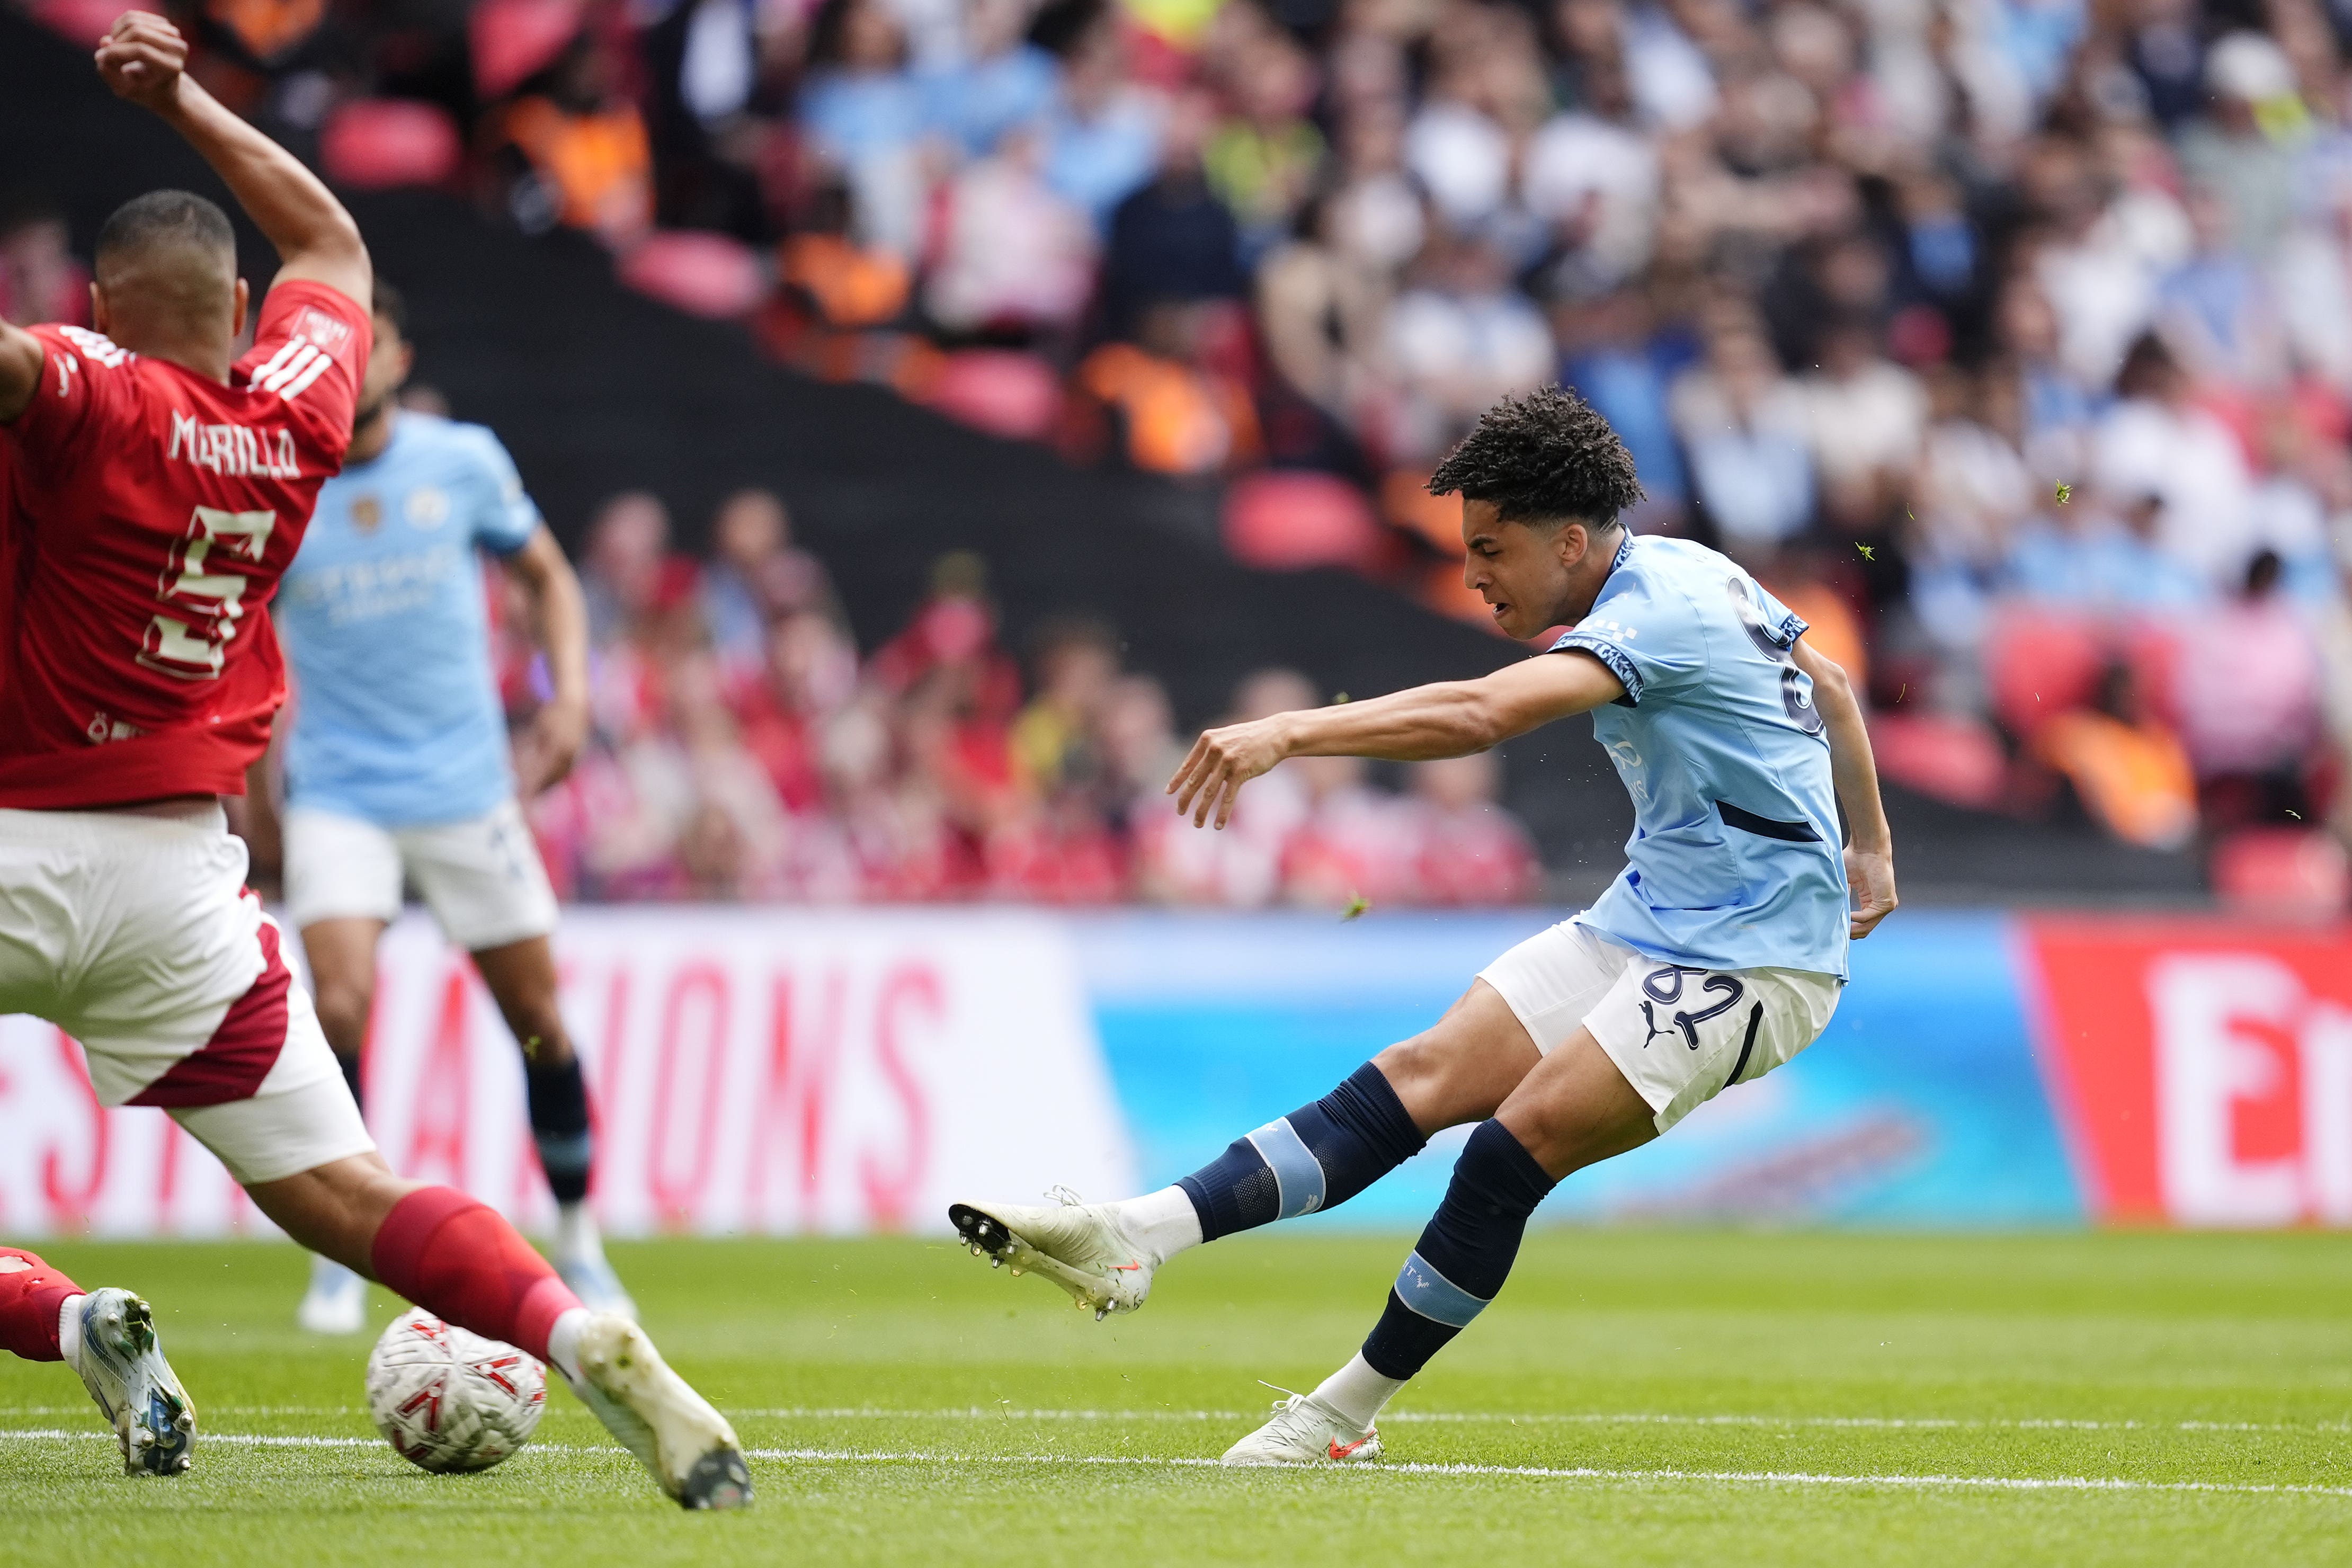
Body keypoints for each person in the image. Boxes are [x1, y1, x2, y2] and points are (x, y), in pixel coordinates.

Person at [0, 16, 747, 1508]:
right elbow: (329, 238)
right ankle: (570, 1323)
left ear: (103, 302)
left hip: (17, 839)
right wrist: (189, 100)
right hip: (177, 894)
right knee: (352, 1194)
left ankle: (51, 1314)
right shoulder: (298, 415)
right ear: (233, 308)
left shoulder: (93, 395)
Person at [947, 387, 1897, 1464]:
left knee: (1508, 1149)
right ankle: (1135, 1236)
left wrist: (1290, 732)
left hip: (1758, 961)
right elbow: (1830, 686)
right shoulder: (1693, 570)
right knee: (1417, 1075)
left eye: (1492, 547)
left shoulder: (1659, 610)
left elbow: (1485, 715)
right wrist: (1872, 846)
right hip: (1651, 919)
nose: (1473, 572)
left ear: (1571, 541)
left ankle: (1340, 1418)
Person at [248, 280, 632, 1334]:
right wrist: (254, 793)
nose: (350, 365)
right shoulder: (282, 483)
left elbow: (548, 576)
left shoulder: (462, 461)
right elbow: (242, 648)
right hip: (341, 794)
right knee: (337, 1005)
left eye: (367, 347)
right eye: (330, 350)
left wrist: (569, 698)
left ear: (400, 361)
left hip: (467, 789)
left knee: (540, 1020)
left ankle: (581, 1239)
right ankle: (345, 1256)